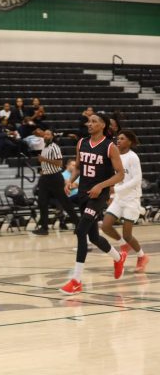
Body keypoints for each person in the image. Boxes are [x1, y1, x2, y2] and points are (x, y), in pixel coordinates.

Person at [60, 113, 126, 295]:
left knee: (81, 231)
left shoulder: (110, 146)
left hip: (99, 195)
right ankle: (118, 257)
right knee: (94, 237)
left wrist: (101, 186)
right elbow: (79, 167)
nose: (89, 124)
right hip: (83, 192)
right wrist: (70, 181)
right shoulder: (82, 142)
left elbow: (120, 174)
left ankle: (76, 280)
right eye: (89, 121)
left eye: (94, 121)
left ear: (103, 125)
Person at [101, 130, 149, 272]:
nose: (118, 140)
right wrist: (112, 192)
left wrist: (118, 190)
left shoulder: (133, 157)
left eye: (122, 138)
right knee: (105, 226)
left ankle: (142, 256)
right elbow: (115, 177)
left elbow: (137, 179)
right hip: (119, 198)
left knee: (127, 234)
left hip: (131, 199)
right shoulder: (116, 156)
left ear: (129, 142)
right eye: (118, 138)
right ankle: (123, 244)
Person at [32, 130, 80, 236]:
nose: (46, 136)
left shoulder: (55, 147)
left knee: (64, 202)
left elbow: (59, 163)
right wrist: (43, 168)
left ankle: (78, 224)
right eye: (45, 134)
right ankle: (44, 228)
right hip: (45, 178)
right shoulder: (44, 147)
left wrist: (44, 159)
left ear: (52, 136)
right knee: (42, 202)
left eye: (48, 134)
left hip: (55, 177)